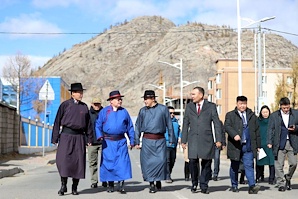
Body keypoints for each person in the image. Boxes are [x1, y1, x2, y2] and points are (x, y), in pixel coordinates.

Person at [51, 82, 93, 196]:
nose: (81, 94)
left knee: (78, 162)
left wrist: (89, 138)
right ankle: (63, 185)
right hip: (66, 136)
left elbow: (89, 124)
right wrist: (54, 137)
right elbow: (57, 121)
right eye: (79, 92)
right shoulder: (65, 105)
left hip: (79, 137)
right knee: (63, 161)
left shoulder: (84, 107)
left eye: (81, 92)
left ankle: (75, 187)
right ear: (73, 94)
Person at [181, 86, 222, 194]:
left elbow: (217, 123)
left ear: (201, 95)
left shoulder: (211, 106)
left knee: (206, 163)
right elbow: (185, 123)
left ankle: (204, 185)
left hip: (207, 139)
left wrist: (219, 139)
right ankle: (194, 182)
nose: (192, 96)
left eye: (194, 94)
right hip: (193, 138)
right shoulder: (189, 107)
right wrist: (183, 140)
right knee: (193, 161)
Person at [135, 90, 175, 193]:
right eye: (144, 99)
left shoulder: (163, 109)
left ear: (153, 99)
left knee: (161, 161)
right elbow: (138, 126)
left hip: (160, 140)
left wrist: (171, 138)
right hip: (147, 140)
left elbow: (169, 124)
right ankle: (151, 183)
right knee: (148, 163)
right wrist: (136, 140)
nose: (145, 101)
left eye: (146, 99)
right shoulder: (142, 111)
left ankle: (158, 180)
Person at [95, 90, 135, 194]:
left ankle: (121, 185)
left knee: (122, 163)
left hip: (121, 141)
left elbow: (130, 127)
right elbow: (98, 124)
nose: (120, 101)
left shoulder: (124, 112)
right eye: (118, 99)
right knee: (109, 163)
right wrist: (99, 136)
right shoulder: (104, 112)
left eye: (121, 99)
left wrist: (132, 140)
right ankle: (110, 185)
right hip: (108, 142)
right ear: (111, 101)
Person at [224, 96, 261, 194]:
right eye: (240, 104)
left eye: (244, 103)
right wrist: (234, 134)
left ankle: (252, 186)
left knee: (249, 166)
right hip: (235, 146)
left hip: (248, 145)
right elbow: (227, 126)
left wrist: (258, 145)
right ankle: (234, 185)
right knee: (234, 166)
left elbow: (257, 131)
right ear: (237, 104)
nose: (242, 106)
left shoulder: (252, 116)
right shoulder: (231, 115)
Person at [267, 97, 298, 192]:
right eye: (284, 108)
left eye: (287, 108)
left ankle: (288, 177)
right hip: (279, 142)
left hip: (292, 142)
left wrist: (296, 127)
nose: (286, 110)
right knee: (278, 164)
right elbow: (270, 129)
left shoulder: (296, 113)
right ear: (280, 106)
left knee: (293, 163)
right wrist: (269, 141)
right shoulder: (274, 116)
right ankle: (280, 183)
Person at [87, 97, 107, 188]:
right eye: (95, 104)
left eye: (98, 104)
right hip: (92, 142)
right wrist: (87, 140)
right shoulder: (87, 114)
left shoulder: (105, 113)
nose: (97, 106)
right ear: (92, 104)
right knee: (92, 162)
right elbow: (85, 127)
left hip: (103, 141)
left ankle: (105, 180)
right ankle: (94, 181)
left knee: (105, 161)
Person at [256, 105, 275, 184]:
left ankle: (271, 178)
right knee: (260, 162)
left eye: (266, 112)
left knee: (271, 162)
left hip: (270, 144)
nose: (265, 114)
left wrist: (272, 142)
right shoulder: (258, 121)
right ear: (261, 112)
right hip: (261, 144)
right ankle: (259, 176)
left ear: (269, 112)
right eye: (263, 112)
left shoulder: (272, 120)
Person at [165, 106, 180, 183]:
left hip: (174, 145)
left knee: (172, 160)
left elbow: (179, 131)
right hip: (166, 144)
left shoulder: (176, 122)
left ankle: (168, 174)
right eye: (170, 113)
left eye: (173, 113)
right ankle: (167, 176)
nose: (172, 114)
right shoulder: (164, 122)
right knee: (167, 161)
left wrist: (180, 137)